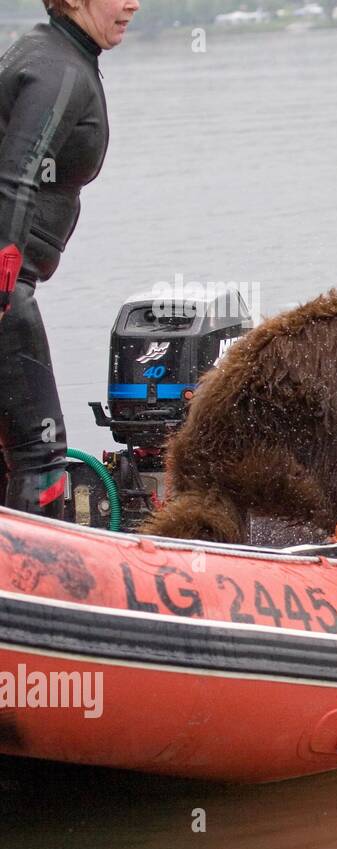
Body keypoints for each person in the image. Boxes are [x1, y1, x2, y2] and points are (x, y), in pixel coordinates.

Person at [0, 0, 136, 518]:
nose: (132, 4)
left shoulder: (46, 51)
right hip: (8, 283)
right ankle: (33, 584)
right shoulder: (59, 69)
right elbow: (17, 171)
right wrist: (4, 280)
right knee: (40, 452)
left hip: (14, 281)